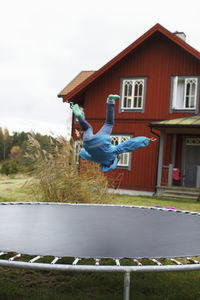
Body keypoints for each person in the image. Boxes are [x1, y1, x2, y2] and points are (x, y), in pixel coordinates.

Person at [72, 94, 156, 173]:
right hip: (88, 144)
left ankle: (110, 101)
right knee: (87, 129)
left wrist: (146, 140)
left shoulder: (114, 152)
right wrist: (82, 155)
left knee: (109, 123)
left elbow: (129, 145)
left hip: (102, 140)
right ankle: (80, 118)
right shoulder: (98, 160)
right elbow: (83, 153)